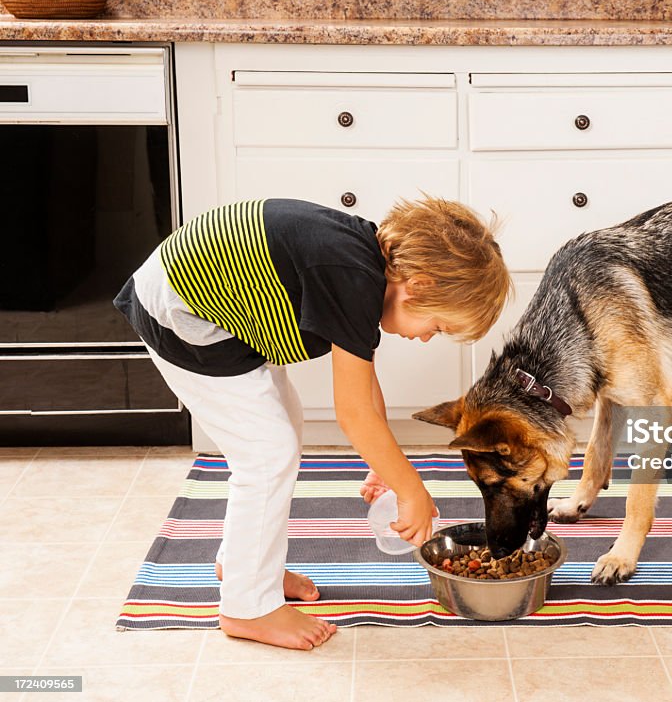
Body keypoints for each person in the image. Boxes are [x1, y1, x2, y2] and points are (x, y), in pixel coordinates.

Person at [114, 196, 511, 650]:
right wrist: (411, 489)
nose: (424, 337)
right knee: (266, 455)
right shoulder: (353, 276)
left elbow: (363, 385)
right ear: (417, 286)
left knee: (282, 427)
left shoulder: (364, 267)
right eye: (436, 326)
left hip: (218, 312)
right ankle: (247, 608)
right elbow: (353, 411)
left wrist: (382, 462)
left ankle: (244, 564)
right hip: (181, 314)